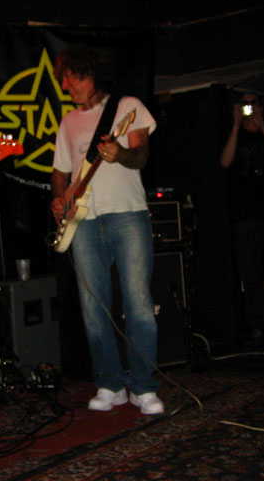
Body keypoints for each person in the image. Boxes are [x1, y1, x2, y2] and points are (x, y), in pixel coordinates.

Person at [50, 44, 163, 415]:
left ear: (90, 74)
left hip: (128, 214)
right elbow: (60, 172)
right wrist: (58, 199)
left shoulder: (127, 106)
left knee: (139, 304)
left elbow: (141, 154)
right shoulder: (67, 123)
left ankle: (144, 386)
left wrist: (120, 155)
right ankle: (110, 382)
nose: (66, 85)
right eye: (64, 79)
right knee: (93, 307)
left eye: (71, 77)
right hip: (83, 222)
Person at [219, 92, 264, 345]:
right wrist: (235, 125)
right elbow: (225, 162)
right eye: (244, 104)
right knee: (250, 271)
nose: (248, 108)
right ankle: (256, 323)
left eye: (252, 103)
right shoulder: (235, 133)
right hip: (244, 213)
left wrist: (262, 124)